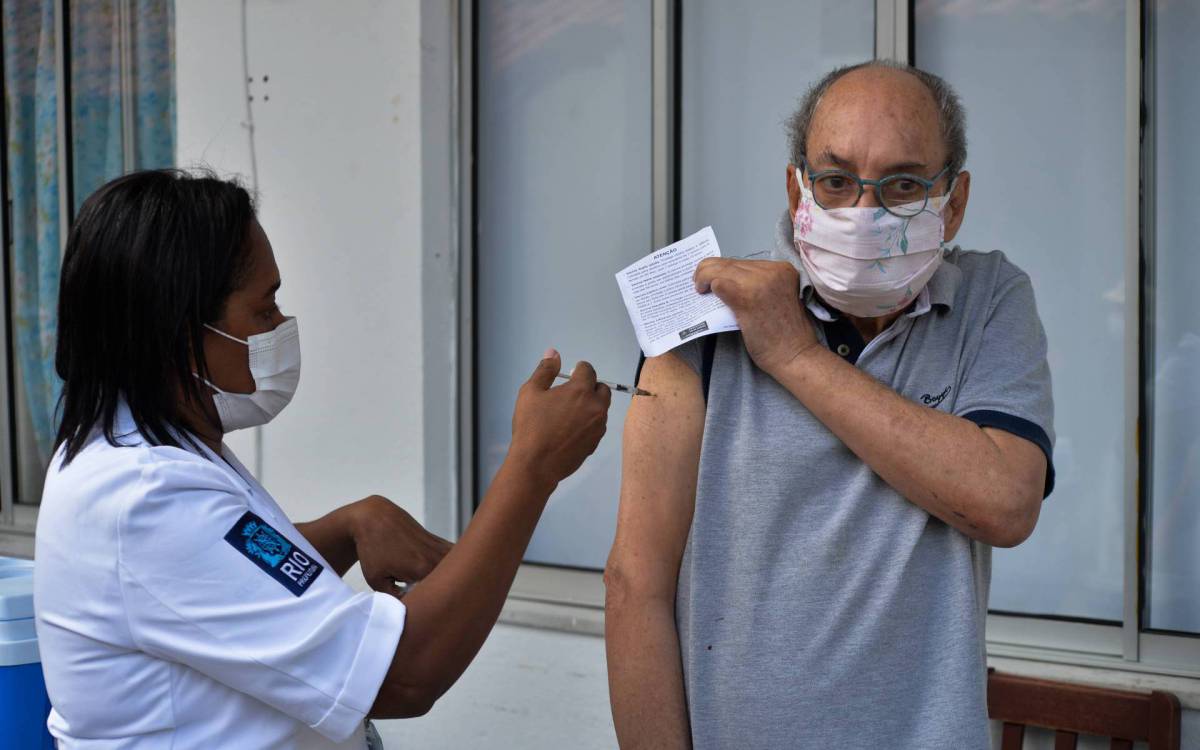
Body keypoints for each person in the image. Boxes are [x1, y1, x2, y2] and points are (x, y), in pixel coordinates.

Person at [33, 169, 612, 749]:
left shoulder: (145, 449)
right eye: (264, 311)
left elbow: (230, 571)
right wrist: (533, 466)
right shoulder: (143, 497)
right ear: (182, 335)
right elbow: (403, 675)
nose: (281, 327)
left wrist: (344, 529)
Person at [605, 60, 1054, 749]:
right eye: (837, 181)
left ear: (954, 202)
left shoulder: (989, 298)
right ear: (797, 186)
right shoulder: (701, 317)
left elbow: (1003, 500)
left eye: (902, 185)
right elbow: (637, 584)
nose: (863, 213)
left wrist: (795, 356)